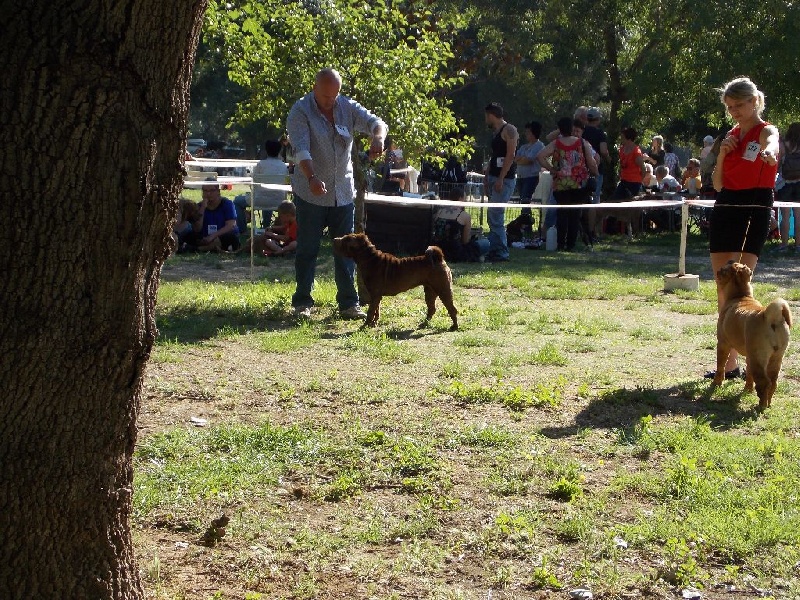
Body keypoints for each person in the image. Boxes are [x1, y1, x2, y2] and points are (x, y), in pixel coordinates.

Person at [285, 67, 388, 319]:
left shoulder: (346, 106)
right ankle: (302, 302)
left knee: (348, 250)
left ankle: (348, 304)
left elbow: (377, 123)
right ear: (314, 88)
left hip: (342, 192)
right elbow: (300, 150)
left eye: (334, 96)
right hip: (310, 192)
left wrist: (378, 138)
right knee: (307, 248)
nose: (330, 102)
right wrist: (311, 178)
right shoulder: (300, 111)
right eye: (325, 97)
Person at [705, 76, 779, 380]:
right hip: (726, 205)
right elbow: (718, 183)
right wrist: (722, 153)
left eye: (739, 105)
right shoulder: (731, 136)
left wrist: (770, 152)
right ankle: (728, 363)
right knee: (723, 289)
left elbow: (772, 141)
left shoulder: (766, 131)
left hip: (754, 206)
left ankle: (754, 356)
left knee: (742, 287)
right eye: (730, 106)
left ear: (754, 102)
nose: (734, 111)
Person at [537, 116, 598, 251]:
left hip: (560, 183)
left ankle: (560, 243)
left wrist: (551, 169)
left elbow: (540, 156)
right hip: (578, 183)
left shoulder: (556, 143)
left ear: (560, 129)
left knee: (562, 214)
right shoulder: (582, 143)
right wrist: (595, 173)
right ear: (571, 128)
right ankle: (571, 245)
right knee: (575, 215)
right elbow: (592, 162)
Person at [484, 102, 519, 262]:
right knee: (492, 216)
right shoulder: (495, 132)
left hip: (504, 179)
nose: (486, 119)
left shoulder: (509, 130)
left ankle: (501, 252)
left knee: (496, 214)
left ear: (491, 115)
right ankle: (493, 249)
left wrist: (501, 179)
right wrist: (487, 178)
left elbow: (510, 155)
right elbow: (494, 157)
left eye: (486, 116)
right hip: (493, 177)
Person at [235, 139, 288, 233]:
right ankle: (266, 226)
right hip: (279, 201)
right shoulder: (283, 166)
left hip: (259, 200)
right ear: (279, 151)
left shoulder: (260, 165)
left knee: (237, 201)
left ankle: (242, 229)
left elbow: (253, 181)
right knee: (268, 196)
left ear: (266, 151)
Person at [182, 180, 241, 252]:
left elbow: (230, 225)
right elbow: (197, 229)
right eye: (205, 191)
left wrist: (213, 236)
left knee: (230, 236)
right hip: (205, 237)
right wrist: (203, 208)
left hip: (221, 235)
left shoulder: (227, 204)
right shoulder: (199, 206)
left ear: (218, 192)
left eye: (212, 190)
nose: (208, 194)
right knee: (189, 236)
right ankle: (210, 247)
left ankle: (202, 249)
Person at [432, 187, 487, 262]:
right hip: (455, 253)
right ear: (460, 198)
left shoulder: (439, 212)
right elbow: (465, 241)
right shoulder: (465, 216)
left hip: (437, 249)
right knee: (485, 243)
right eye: (465, 198)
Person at [777, 122, 800, 253]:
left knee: (785, 216)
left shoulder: (784, 144)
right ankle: (798, 245)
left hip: (785, 183)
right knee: (798, 216)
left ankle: (784, 245)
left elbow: (778, 163)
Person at [514, 121, 544, 216]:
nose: (526, 134)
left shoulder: (539, 146)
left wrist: (521, 159)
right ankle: (524, 221)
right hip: (521, 177)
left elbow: (528, 160)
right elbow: (515, 158)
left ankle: (526, 223)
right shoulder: (524, 147)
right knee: (522, 200)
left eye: (528, 132)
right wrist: (521, 159)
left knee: (525, 200)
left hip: (531, 177)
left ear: (534, 133)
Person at [583, 107, 610, 204]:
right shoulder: (600, 133)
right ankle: (593, 218)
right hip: (596, 169)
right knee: (595, 195)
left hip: (582, 168)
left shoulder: (582, 132)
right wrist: (608, 158)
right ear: (598, 119)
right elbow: (603, 151)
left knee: (583, 196)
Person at [613, 127, 646, 199]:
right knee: (615, 199)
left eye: (622, 137)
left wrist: (639, 181)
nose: (621, 139)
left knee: (630, 203)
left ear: (629, 138)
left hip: (634, 183)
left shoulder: (636, 152)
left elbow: (643, 169)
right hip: (624, 181)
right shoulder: (622, 149)